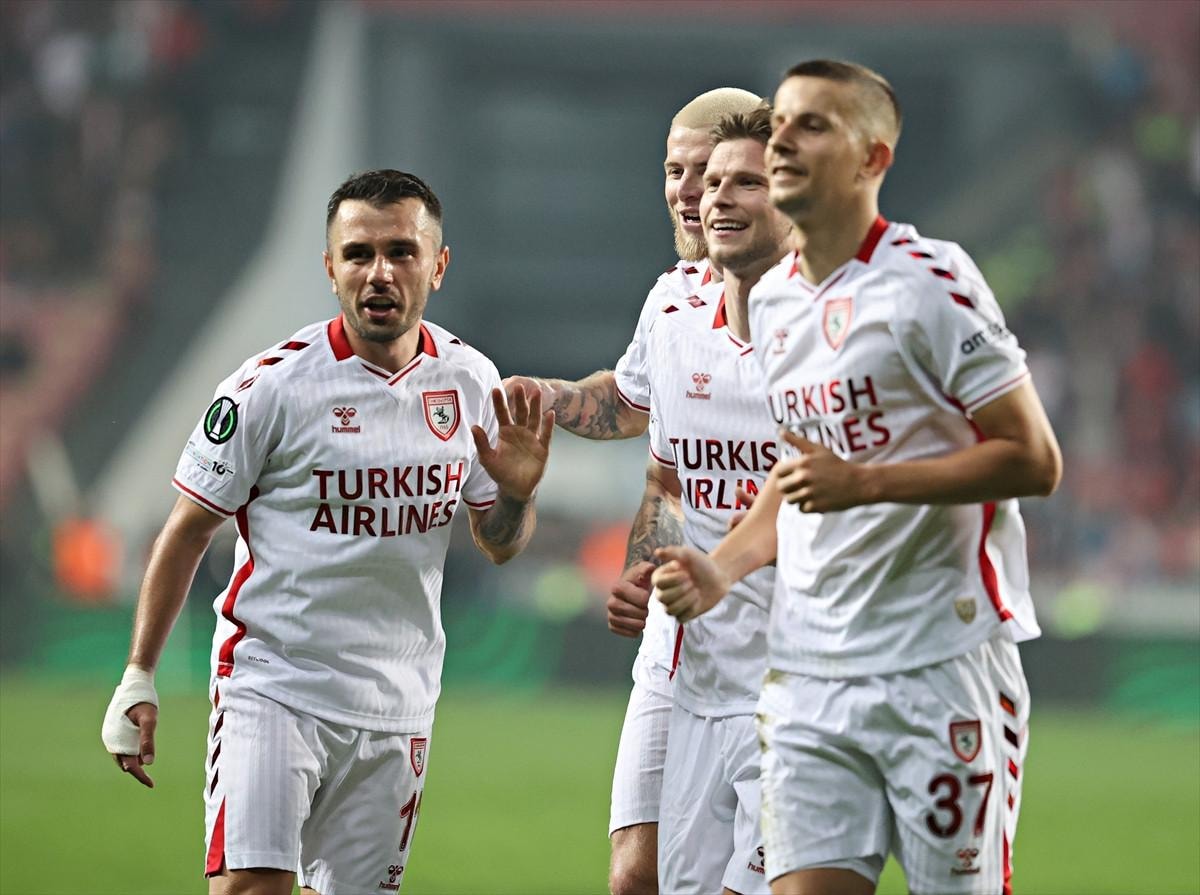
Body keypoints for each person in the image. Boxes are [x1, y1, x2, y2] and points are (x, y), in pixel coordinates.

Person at [652, 60, 1062, 895]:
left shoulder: (930, 281)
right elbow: (798, 470)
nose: (784, 143)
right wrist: (720, 568)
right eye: (781, 124)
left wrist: (868, 483)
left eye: (814, 125)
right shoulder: (776, 301)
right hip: (809, 672)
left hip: (938, 661)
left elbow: (1033, 457)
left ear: (873, 158)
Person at [101, 169, 554, 895]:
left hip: (399, 702)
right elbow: (187, 530)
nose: (380, 272)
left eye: (401, 251)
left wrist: (518, 492)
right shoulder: (269, 388)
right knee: (250, 886)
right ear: (330, 267)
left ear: (438, 265)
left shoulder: (470, 381)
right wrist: (138, 674)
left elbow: (499, 543)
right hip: (275, 683)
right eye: (358, 253)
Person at [507, 87, 764, 895]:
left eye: (710, 173)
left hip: (784, 656)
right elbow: (652, 448)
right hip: (682, 651)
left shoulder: (818, 320)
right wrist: (645, 567)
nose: (689, 191)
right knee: (634, 878)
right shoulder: (672, 301)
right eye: (675, 170)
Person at [643, 106, 792, 895]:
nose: (715, 197)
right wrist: (646, 565)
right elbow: (666, 478)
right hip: (699, 689)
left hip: (801, 690)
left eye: (746, 182)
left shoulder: (836, 334)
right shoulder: (677, 326)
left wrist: (725, 565)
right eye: (711, 181)